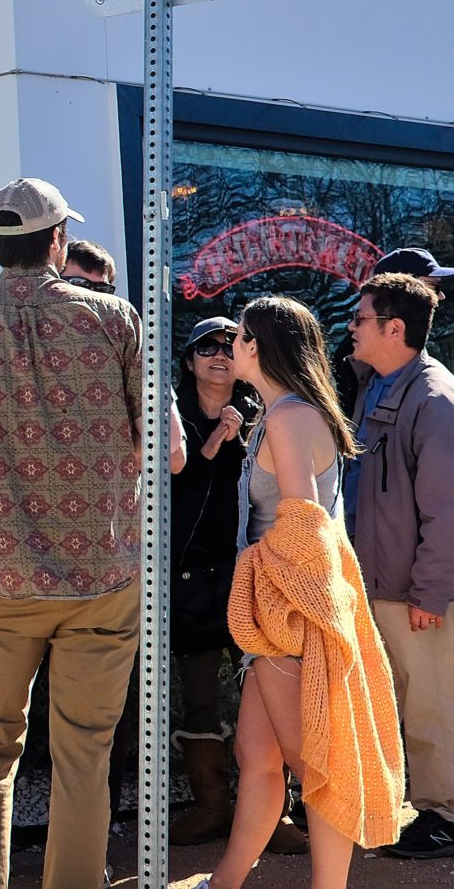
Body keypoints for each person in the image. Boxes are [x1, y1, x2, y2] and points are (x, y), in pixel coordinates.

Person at [0, 178, 175, 889]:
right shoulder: (116, 317)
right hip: (105, 577)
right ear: (57, 240)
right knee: (85, 757)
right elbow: (169, 451)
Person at [206, 296, 403, 888]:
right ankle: (225, 882)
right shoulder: (288, 413)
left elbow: (302, 528)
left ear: (260, 345)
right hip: (288, 614)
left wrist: (264, 596)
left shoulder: (289, 418)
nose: (228, 347)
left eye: (238, 336)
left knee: (317, 767)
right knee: (259, 760)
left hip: (290, 616)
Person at [347, 273, 454, 860]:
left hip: (414, 591)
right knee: (406, 701)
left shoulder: (435, 398)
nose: (350, 326)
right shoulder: (379, 385)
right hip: (379, 583)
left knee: (432, 702)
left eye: (360, 318)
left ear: (395, 329)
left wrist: (431, 594)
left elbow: (448, 509)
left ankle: (445, 817)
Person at [168, 316, 264, 846]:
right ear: (188, 362)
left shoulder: (263, 412)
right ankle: (211, 807)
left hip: (250, 574)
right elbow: (174, 493)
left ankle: (275, 812)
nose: (220, 355)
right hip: (189, 582)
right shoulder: (172, 418)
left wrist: (238, 434)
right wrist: (214, 443)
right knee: (200, 696)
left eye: (230, 345)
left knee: (265, 692)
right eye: (206, 347)